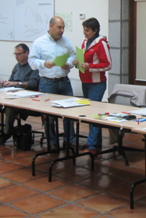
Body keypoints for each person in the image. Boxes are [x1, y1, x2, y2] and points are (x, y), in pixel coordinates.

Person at [29, 16, 76, 151]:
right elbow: (31, 61)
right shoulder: (39, 42)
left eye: (63, 28)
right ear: (51, 26)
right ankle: (52, 142)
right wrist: (44, 63)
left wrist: (68, 63)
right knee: (49, 116)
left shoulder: (66, 41)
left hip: (64, 82)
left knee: (69, 113)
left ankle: (69, 141)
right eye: (59, 27)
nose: (62, 30)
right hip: (47, 82)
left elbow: (72, 56)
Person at [73, 18, 112, 155]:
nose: (85, 33)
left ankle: (92, 144)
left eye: (87, 30)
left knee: (92, 114)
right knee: (92, 113)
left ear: (95, 30)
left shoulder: (101, 44)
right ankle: (96, 141)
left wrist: (90, 66)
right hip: (85, 81)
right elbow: (85, 59)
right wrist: (78, 61)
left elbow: (107, 64)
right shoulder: (85, 42)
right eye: (84, 29)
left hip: (97, 84)